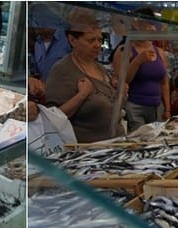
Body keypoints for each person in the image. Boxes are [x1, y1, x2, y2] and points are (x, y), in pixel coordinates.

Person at [45, 10, 124, 143]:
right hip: (89, 150)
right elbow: (53, 118)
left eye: (100, 39)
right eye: (91, 40)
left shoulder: (99, 67)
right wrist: (81, 95)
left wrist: (121, 92)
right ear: (72, 40)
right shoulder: (62, 70)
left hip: (116, 142)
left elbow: (112, 106)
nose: (97, 45)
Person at [111, 8, 170, 131]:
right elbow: (121, 82)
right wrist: (138, 61)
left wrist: (167, 108)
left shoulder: (159, 52)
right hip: (135, 107)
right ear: (136, 25)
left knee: (157, 140)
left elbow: (164, 83)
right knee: (140, 142)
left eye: (152, 24)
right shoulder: (124, 50)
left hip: (157, 107)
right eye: (147, 24)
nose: (151, 28)